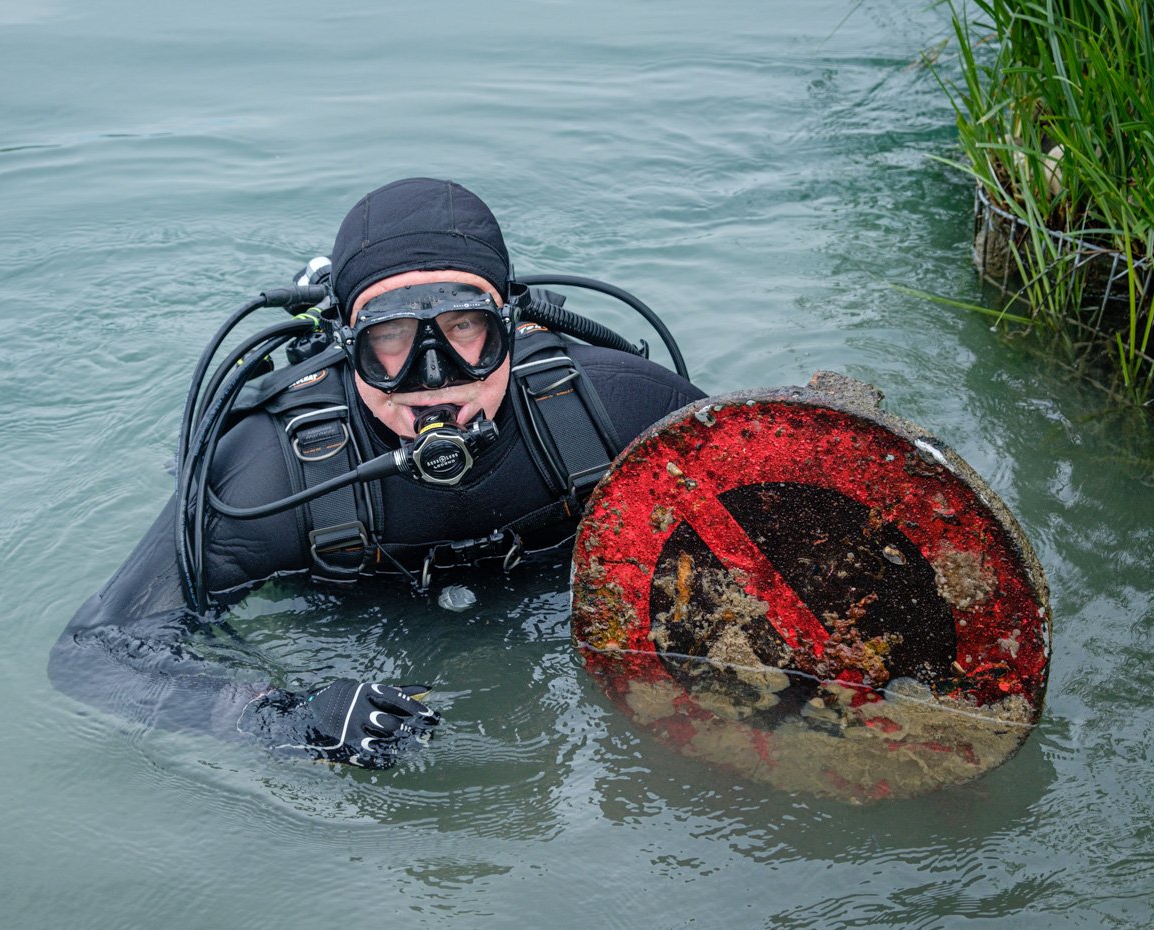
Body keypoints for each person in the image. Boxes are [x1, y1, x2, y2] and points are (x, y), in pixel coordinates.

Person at [49, 177, 705, 768]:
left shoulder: (612, 408)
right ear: (350, 345)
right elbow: (95, 655)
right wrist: (286, 718)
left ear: (512, 325)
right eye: (389, 338)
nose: (430, 376)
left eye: (464, 326)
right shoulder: (269, 474)